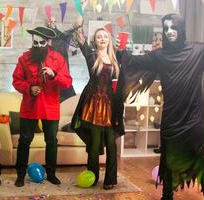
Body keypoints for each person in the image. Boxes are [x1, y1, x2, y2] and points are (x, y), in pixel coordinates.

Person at [116, 13, 204, 199]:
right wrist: (121, 52)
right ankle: (167, 196)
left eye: (173, 27)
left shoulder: (200, 50)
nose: (169, 31)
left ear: (181, 28)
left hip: (193, 119)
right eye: (166, 28)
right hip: (171, 119)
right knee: (168, 160)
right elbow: (135, 61)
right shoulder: (159, 56)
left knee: (199, 158)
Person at [70, 0, 125, 190]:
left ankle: (110, 179)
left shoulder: (116, 58)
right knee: (93, 147)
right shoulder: (91, 55)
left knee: (111, 145)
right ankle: (92, 177)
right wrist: (81, 10)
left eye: (105, 36)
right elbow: (78, 30)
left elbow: (120, 84)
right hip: (93, 106)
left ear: (109, 40)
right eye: (99, 37)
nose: (102, 39)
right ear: (95, 41)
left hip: (110, 107)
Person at [12, 26, 72, 187]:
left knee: (51, 141)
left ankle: (51, 173)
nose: (38, 46)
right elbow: (16, 81)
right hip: (29, 106)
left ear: (49, 42)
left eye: (42, 42)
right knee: (24, 141)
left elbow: (68, 82)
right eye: (35, 42)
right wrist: (29, 88)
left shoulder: (58, 59)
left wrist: (55, 74)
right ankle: (20, 174)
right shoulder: (24, 59)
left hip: (50, 106)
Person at [46, 16, 76, 102]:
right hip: (48, 68)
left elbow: (72, 29)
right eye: (50, 21)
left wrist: (81, 9)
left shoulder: (60, 36)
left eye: (54, 21)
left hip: (60, 67)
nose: (52, 23)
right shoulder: (44, 36)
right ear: (47, 22)